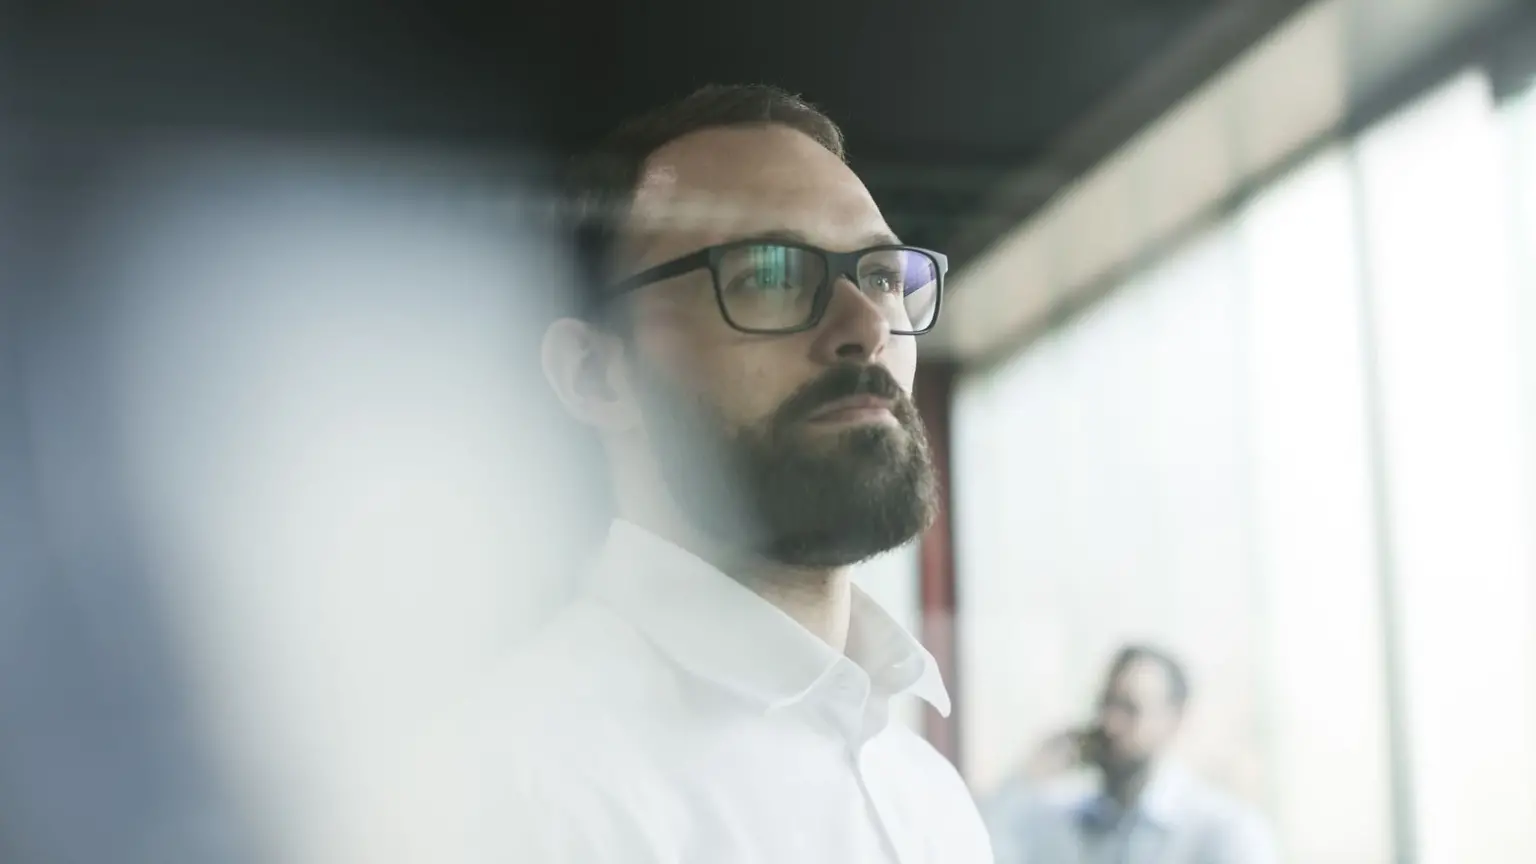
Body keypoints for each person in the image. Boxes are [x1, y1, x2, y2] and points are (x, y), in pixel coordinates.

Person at [390, 84, 992, 864]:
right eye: (769, 273)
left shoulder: (928, 794)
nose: (867, 325)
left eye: (880, 275)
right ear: (595, 374)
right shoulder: (503, 797)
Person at [982, 645, 1277, 864]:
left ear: (1175, 719)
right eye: (1106, 704)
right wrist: (1027, 777)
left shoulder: (1223, 831)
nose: (1111, 724)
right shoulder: (1062, 823)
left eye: (1130, 709)